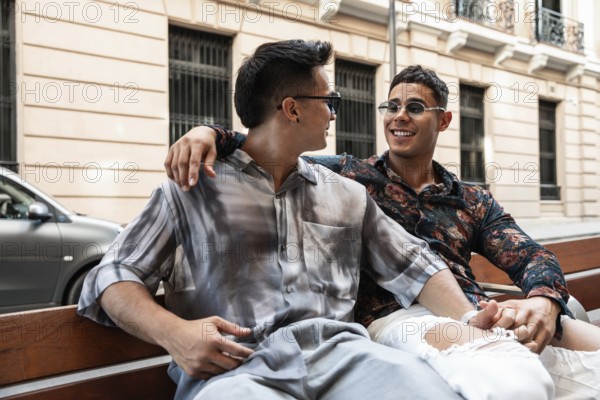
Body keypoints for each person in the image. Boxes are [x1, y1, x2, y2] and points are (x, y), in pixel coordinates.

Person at [78, 41, 552, 400]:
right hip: (237, 371)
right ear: (292, 109)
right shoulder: (190, 189)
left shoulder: (346, 193)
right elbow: (111, 275)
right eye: (329, 101)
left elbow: (416, 266)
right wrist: (174, 334)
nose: (333, 112)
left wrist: (470, 317)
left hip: (346, 357)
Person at [166, 64, 600, 398]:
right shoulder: (347, 176)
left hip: (471, 308)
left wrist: (544, 301)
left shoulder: (472, 200)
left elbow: (531, 255)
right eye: (391, 106)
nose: (399, 117)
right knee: (513, 376)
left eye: (415, 107)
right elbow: (273, 144)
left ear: (444, 121)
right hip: (392, 318)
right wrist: (213, 133)